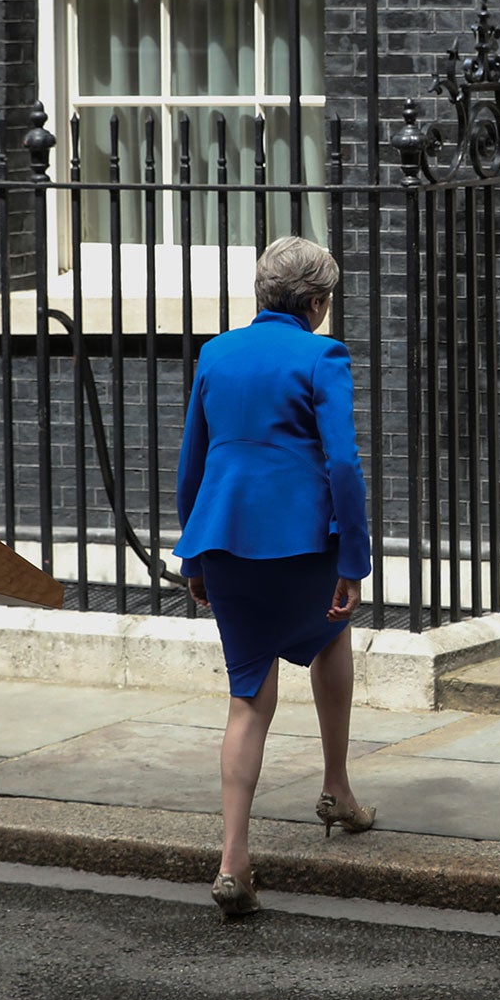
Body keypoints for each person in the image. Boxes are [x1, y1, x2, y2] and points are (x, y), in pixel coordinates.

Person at [174, 236, 375, 921]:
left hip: (226, 539)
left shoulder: (216, 353)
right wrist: (354, 559)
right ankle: (337, 788)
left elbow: (192, 464)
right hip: (301, 541)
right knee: (331, 634)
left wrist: (194, 557)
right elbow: (343, 464)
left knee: (248, 698)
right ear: (317, 303)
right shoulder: (323, 354)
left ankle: (233, 859)